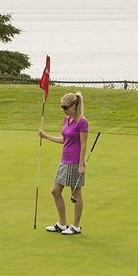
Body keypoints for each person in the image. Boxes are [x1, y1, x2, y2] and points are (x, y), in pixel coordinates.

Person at [39, 91, 89, 235]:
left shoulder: (82, 122)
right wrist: (45, 136)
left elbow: (83, 144)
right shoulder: (66, 119)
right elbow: (64, 140)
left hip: (75, 162)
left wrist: (81, 165)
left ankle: (76, 226)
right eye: (62, 107)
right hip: (64, 160)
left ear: (74, 105)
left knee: (76, 193)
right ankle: (62, 224)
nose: (64, 109)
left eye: (65, 107)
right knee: (55, 191)